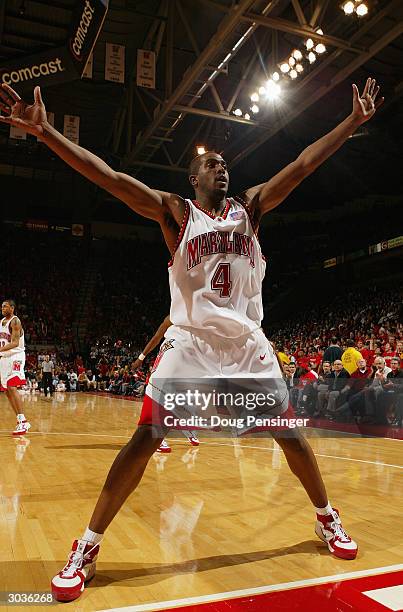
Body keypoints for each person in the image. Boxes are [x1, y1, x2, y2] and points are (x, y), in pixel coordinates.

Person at [0, 77, 383, 601]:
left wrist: (352, 123)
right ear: (193, 177)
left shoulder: (252, 207)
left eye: (225, 163)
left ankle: (325, 517)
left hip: (248, 342)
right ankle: (88, 544)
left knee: (288, 435)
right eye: (210, 163)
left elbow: (302, 164)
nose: (221, 167)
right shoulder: (178, 213)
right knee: (147, 437)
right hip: (192, 342)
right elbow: (108, 176)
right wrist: (46, 134)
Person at [133, 315, 200, 452]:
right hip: (170, 354)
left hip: (187, 360)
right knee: (158, 398)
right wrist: (141, 358)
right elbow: (156, 338)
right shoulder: (172, 316)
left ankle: (187, 428)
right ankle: (157, 436)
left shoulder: (200, 313)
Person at [0, 299, 31, 435]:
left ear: (12, 308)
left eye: (5, 306)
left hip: (16, 356)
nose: (3, 308)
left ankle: (23, 422)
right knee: (6, 390)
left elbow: (15, 343)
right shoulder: (1, 322)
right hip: (4, 357)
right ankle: (20, 420)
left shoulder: (15, 321)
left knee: (12, 386)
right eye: (2, 306)